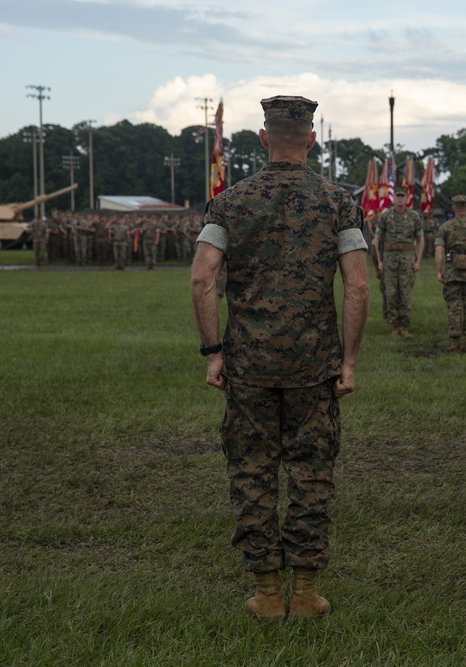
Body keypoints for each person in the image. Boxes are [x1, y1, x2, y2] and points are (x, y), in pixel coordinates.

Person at [190, 95, 369, 620]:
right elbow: (357, 287)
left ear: (263, 138)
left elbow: (202, 279)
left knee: (252, 471)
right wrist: (350, 362)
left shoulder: (230, 202)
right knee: (312, 472)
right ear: (312, 140)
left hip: (248, 363)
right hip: (314, 366)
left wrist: (213, 352)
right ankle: (308, 591)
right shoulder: (337, 202)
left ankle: (267, 593)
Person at [373, 187, 424, 337]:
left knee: (405, 291)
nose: (400, 199)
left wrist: (418, 260)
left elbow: (420, 239)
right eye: (398, 196)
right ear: (393, 198)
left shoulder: (414, 216)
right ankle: (394, 325)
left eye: (403, 196)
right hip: (389, 260)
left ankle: (404, 325)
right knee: (390, 292)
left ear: (407, 198)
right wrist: (380, 259)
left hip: (407, 259)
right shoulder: (386, 216)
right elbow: (377, 239)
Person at [434, 194, 466, 351]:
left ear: (453, 208)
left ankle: (454, 341)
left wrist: (439, 271)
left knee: (454, 306)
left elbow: (439, 250)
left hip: (452, 273)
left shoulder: (445, 227)